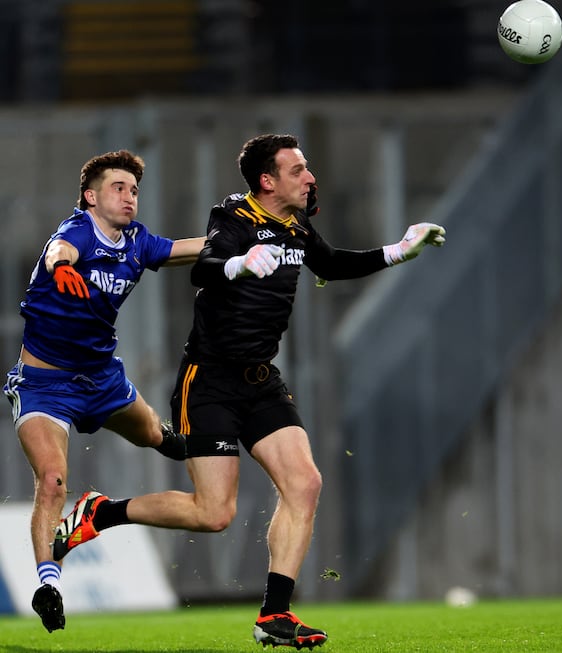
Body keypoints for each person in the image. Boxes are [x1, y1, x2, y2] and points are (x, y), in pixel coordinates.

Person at [53, 133, 446, 648]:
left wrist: (397, 251)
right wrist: (238, 264)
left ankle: (274, 616)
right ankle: (101, 512)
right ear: (268, 181)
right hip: (209, 382)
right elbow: (204, 265)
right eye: (298, 169)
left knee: (304, 483)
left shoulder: (297, 225)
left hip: (261, 380)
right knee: (213, 514)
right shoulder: (233, 218)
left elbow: (329, 264)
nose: (310, 177)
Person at [2, 149, 205, 633]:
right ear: (91, 197)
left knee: (159, 438)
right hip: (45, 387)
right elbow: (59, 250)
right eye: (119, 188)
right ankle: (49, 585)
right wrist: (60, 266)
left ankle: (189, 462)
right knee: (52, 480)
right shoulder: (75, 233)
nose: (130, 196)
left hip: (103, 380)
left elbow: (184, 248)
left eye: (134, 189)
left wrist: (244, 241)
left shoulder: (137, 242)